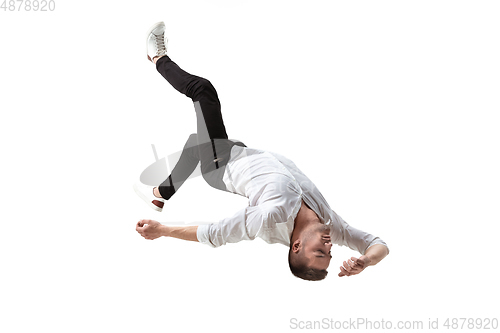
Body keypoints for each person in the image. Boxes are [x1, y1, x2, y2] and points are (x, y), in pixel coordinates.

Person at [134, 21, 389, 281]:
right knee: (194, 145)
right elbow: (379, 244)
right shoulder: (332, 225)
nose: (329, 247)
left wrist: (162, 230)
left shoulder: (270, 218)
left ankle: (157, 57)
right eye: (329, 254)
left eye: (320, 253)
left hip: (220, 165)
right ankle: (158, 194)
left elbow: (216, 233)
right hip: (242, 154)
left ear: (297, 246)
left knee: (203, 91)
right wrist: (367, 260)